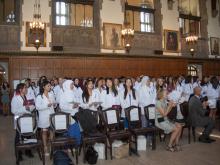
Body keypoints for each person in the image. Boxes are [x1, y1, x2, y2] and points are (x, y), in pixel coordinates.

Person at [11, 83, 35, 161]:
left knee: (28, 135)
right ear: (20, 89)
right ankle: (18, 153)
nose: (26, 89)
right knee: (19, 136)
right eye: (25, 88)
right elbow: (13, 110)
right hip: (19, 119)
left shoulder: (27, 97)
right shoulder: (15, 98)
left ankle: (28, 151)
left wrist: (30, 108)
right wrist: (25, 108)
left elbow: (31, 106)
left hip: (27, 118)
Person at [35, 80, 56, 155]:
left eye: (50, 86)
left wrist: (54, 104)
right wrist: (46, 106)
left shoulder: (51, 94)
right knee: (44, 132)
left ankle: (51, 145)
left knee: (52, 131)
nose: (50, 87)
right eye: (48, 86)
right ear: (43, 87)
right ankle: (45, 147)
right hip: (43, 116)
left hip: (51, 114)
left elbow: (54, 103)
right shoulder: (39, 96)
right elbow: (37, 107)